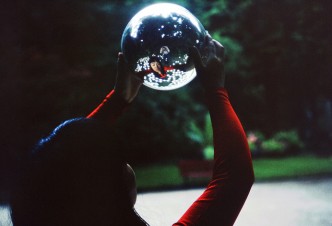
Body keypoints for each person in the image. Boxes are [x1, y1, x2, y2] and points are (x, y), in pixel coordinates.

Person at [10, 35, 254, 226]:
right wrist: (216, 89)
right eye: (118, 161)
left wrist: (118, 100)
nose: (128, 166)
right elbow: (235, 177)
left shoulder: (40, 214)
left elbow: (64, 164)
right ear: (110, 195)